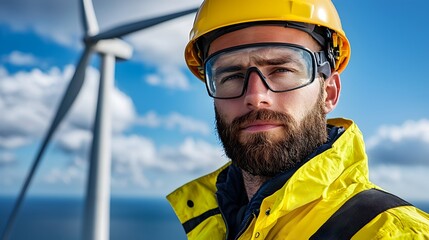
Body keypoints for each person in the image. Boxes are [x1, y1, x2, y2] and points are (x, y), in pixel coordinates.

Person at [167, 0, 429, 239]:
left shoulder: (391, 233)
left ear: (329, 92)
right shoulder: (220, 222)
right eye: (231, 75)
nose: (255, 97)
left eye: (282, 69)